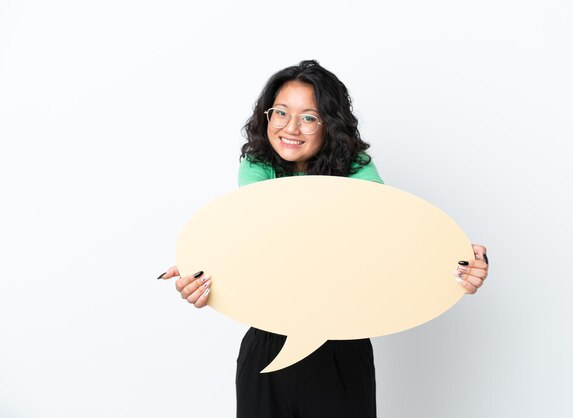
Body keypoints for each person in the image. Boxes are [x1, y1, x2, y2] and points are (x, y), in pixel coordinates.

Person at [157, 59, 490, 418]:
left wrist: (454, 264)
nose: (290, 127)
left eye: (309, 117)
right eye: (280, 112)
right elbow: (259, 241)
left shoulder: (358, 169)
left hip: (342, 348)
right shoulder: (256, 166)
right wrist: (206, 274)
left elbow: (386, 241)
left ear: (329, 124)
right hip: (267, 343)